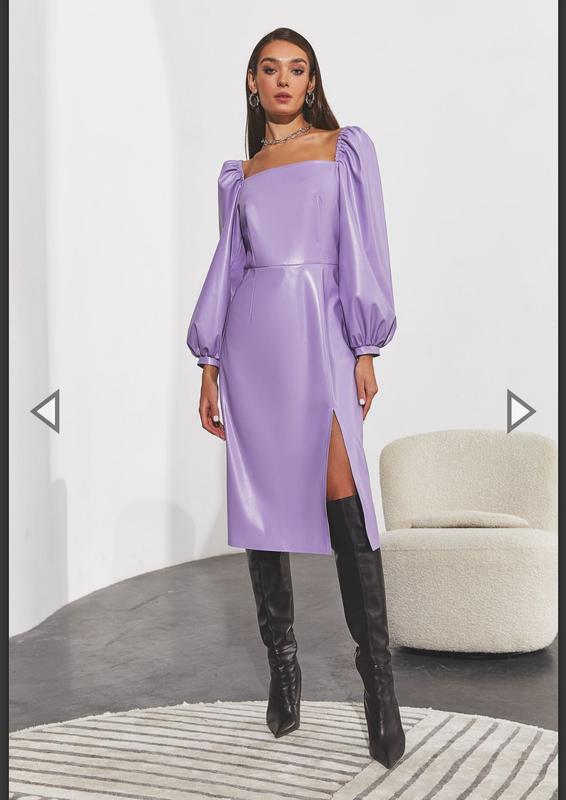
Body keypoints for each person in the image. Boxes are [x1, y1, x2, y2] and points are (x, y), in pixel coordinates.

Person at [187, 27, 405, 769]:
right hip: (253, 345)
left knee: (346, 500)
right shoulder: (240, 176)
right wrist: (209, 363)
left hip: (322, 335)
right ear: (253, 83)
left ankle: (380, 689)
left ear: (311, 83)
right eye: (270, 69)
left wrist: (365, 346)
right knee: (263, 505)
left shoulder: (343, 149)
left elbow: (363, 248)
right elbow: (227, 268)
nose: (284, 80)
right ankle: (284, 668)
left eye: (297, 69)